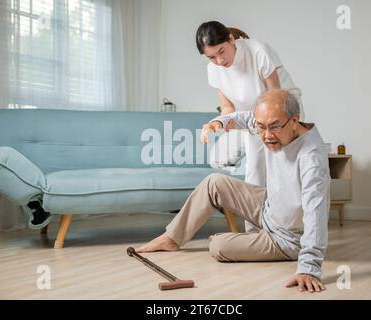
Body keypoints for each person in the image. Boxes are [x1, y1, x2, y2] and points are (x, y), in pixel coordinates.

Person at [137, 90, 330, 293]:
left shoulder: (312, 158)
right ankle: (172, 238)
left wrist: (309, 268)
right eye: (261, 127)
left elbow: (315, 214)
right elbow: (244, 118)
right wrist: (219, 122)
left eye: (273, 127)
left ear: (294, 121)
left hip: (288, 238)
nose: (266, 135)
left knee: (218, 247)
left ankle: (232, 240)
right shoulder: (270, 124)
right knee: (214, 182)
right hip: (269, 206)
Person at [196, 21, 304, 231]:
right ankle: (254, 231)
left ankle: (291, 229)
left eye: (221, 52)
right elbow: (227, 107)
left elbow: (277, 99)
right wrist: (218, 123)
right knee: (254, 170)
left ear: (230, 39)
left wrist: (271, 130)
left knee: (282, 166)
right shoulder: (214, 70)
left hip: (283, 110)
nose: (219, 60)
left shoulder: (258, 52)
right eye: (211, 57)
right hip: (253, 116)